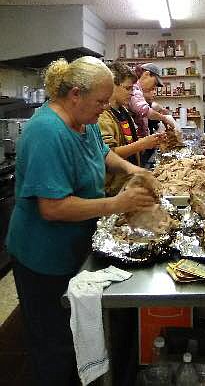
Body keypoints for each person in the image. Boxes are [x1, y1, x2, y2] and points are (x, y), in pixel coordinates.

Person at [6, 56, 158, 386]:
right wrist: (117, 203)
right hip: (43, 256)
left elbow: (103, 154)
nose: (105, 108)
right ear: (75, 94)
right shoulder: (46, 132)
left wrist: (134, 169)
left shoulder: (83, 122)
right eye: (101, 101)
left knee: (78, 332)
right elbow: (53, 208)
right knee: (54, 343)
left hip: (74, 245)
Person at [98, 60, 166, 196]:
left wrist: (148, 141)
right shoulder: (102, 116)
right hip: (114, 189)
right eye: (128, 88)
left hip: (127, 183)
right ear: (113, 86)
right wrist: (142, 144)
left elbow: (128, 140)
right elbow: (108, 154)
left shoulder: (123, 111)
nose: (132, 93)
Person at [129, 62, 175, 138]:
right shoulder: (134, 88)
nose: (154, 87)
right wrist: (164, 118)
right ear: (146, 74)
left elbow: (148, 105)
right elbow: (145, 111)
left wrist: (161, 110)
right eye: (155, 82)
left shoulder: (139, 90)